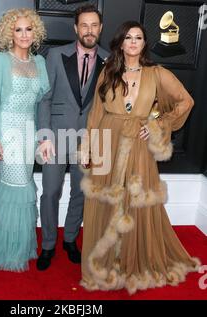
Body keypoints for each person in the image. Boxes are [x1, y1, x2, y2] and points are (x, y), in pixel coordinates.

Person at [80, 21, 201, 294]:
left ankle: (132, 259)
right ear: (120, 43)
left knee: (135, 200)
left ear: (145, 43)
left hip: (137, 143)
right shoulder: (108, 72)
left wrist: (158, 123)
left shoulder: (157, 73)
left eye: (139, 37)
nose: (133, 42)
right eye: (128, 37)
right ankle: (108, 258)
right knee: (107, 201)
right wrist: (88, 149)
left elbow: (186, 101)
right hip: (108, 141)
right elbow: (95, 115)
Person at [0, 8, 49, 271]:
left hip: (28, 133)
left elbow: (39, 106)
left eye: (28, 29)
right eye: (18, 30)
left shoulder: (39, 63)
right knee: (14, 187)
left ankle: (20, 245)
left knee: (25, 186)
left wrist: (40, 137)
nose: (24, 34)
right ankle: (5, 250)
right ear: (9, 33)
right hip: (6, 131)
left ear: (35, 31)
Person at [36, 4, 108, 271]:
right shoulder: (55, 55)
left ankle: (69, 240)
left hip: (88, 142)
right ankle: (48, 244)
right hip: (55, 137)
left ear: (100, 28)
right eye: (84, 25)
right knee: (51, 192)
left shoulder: (108, 59)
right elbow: (44, 99)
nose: (89, 30)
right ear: (76, 28)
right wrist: (44, 137)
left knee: (80, 192)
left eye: (94, 25)